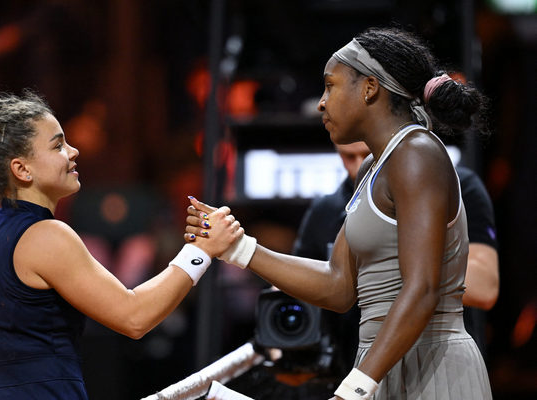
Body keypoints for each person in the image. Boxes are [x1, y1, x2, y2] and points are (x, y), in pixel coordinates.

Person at [186, 27, 493, 399]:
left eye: (330, 86)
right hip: (380, 367)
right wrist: (238, 248)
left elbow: (422, 290)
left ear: (369, 88)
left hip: (431, 369)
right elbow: (338, 286)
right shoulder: (371, 169)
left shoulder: (417, 153)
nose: (321, 103)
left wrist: (353, 390)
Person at [0, 90, 244, 399]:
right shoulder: (48, 235)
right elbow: (134, 317)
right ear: (22, 169)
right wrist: (200, 250)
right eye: (58, 146)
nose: (73, 151)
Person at [292, 141, 498, 378]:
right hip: (356, 374)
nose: (359, 167)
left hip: (439, 370)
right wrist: (287, 348)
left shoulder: (456, 187)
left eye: (368, 155)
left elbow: (485, 288)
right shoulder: (326, 211)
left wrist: (378, 262)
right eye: (348, 157)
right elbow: (296, 295)